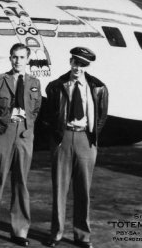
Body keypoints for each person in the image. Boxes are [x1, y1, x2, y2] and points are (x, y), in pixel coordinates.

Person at [44, 47, 108, 248]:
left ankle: (82, 236)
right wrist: (57, 136)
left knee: (83, 190)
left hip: (85, 140)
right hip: (63, 139)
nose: (77, 67)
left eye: (82, 64)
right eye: (75, 62)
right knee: (59, 188)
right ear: (70, 61)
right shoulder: (56, 86)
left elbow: (102, 116)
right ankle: (56, 234)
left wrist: (91, 138)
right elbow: (48, 115)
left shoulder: (98, 87)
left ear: (87, 66)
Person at [0, 43, 42, 247]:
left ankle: (19, 231)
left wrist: (27, 125)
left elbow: (35, 110)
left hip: (25, 135)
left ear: (28, 60)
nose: (18, 61)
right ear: (10, 59)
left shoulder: (34, 82)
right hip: (4, 134)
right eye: (14, 57)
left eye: (22, 57)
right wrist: (4, 123)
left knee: (21, 183)